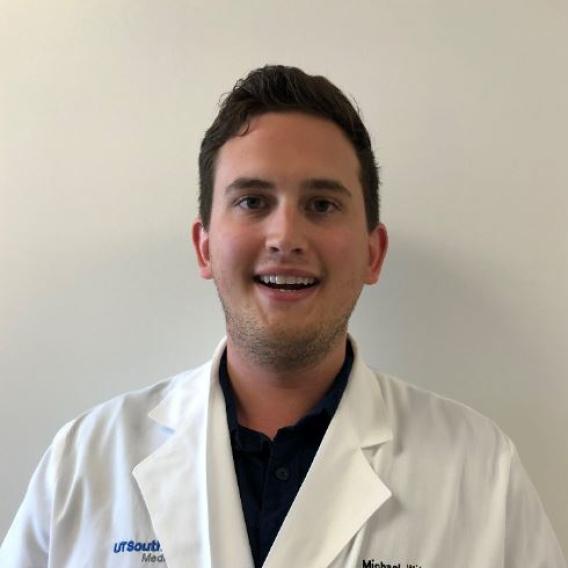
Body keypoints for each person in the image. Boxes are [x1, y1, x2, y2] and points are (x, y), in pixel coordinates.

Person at [1, 65, 565, 568]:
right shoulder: (85, 460)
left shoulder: (480, 471)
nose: (286, 236)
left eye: (322, 204)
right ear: (204, 247)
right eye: (252, 201)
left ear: (373, 253)